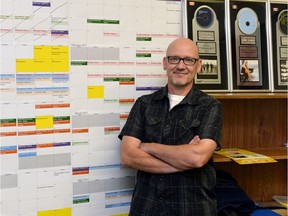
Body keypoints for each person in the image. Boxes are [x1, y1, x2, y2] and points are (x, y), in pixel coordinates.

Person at [118, 38, 223, 216]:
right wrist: (182, 160)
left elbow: (197, 158)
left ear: (198, 65)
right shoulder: (144, 104)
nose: (181, 66)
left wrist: (148, 146)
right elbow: (128, 156)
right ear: (165, 63)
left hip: (193, 209)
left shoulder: (210, 106)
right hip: (146, 208)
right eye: (174, 59)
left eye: (188, 60)